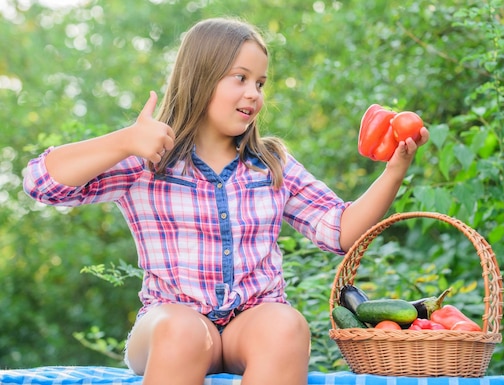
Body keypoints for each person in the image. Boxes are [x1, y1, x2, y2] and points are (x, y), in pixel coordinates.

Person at [23, 17, 429, 385]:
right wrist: (125, 140)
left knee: (286, 326)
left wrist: (395, 169)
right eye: (240, 77)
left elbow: (340, 230)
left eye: (260, 83)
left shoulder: (271, 164)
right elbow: (42, 183)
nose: (253, 93)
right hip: (169, 321)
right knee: (182, 332)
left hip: (250, 323)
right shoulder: (148, 158)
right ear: (201, 78)